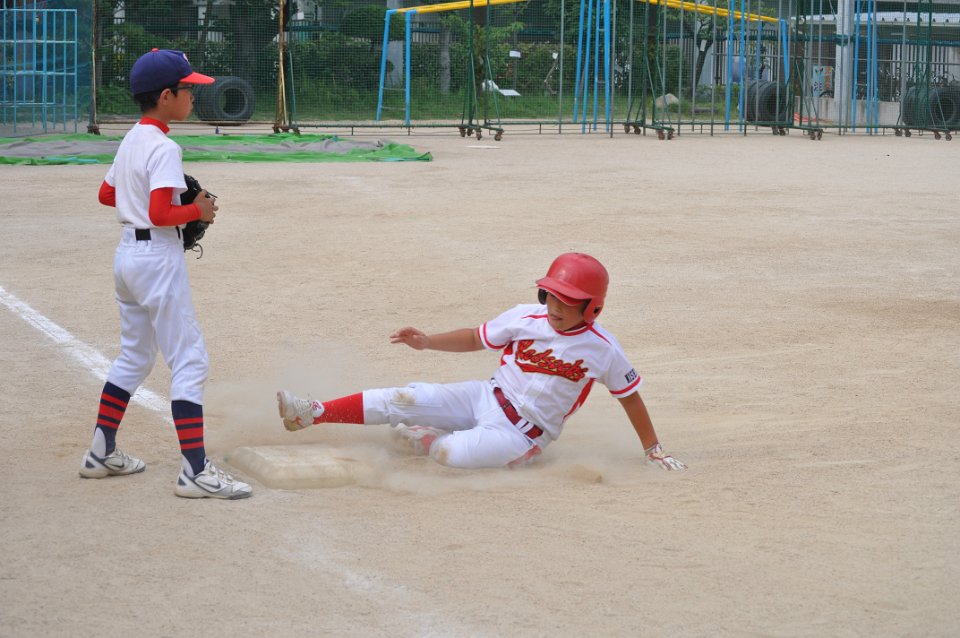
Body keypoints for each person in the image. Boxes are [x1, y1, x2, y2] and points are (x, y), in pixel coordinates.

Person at [277, 253, 685, 471]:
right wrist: (427, 342)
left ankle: (430, 437)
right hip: (484, 397)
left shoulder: (603, 349)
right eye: (550, 296)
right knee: (403, 397)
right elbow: (476, 337)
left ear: (592, 307)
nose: (555, 306)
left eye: (568, 300)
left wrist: (653, 449)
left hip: (522, 435)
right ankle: (312, 412)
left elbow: (630, 398)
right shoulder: (526, 317)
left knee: (449, 455)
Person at [78, 48, 252, 499]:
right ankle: (195, 471)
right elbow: (160, 213)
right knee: (190, 359)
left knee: (135, 356)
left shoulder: (132, 138)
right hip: (156, 258)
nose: (193, 95)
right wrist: (198, 210)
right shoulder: (164, 147)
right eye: (187, 88)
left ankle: (101, 451)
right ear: (165, 96)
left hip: (127, 257)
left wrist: (144, 204)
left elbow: (107, 194)